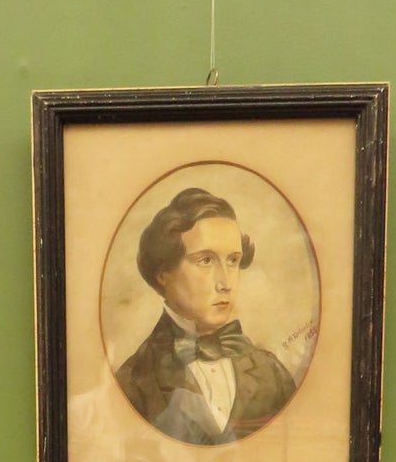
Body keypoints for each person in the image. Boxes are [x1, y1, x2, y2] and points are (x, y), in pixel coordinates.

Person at [114, 187, 297, 445]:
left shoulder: (273, 375)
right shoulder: (131, 384)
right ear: (163, 273)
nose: (225, 283)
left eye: (233, 261)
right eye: (206, 261)